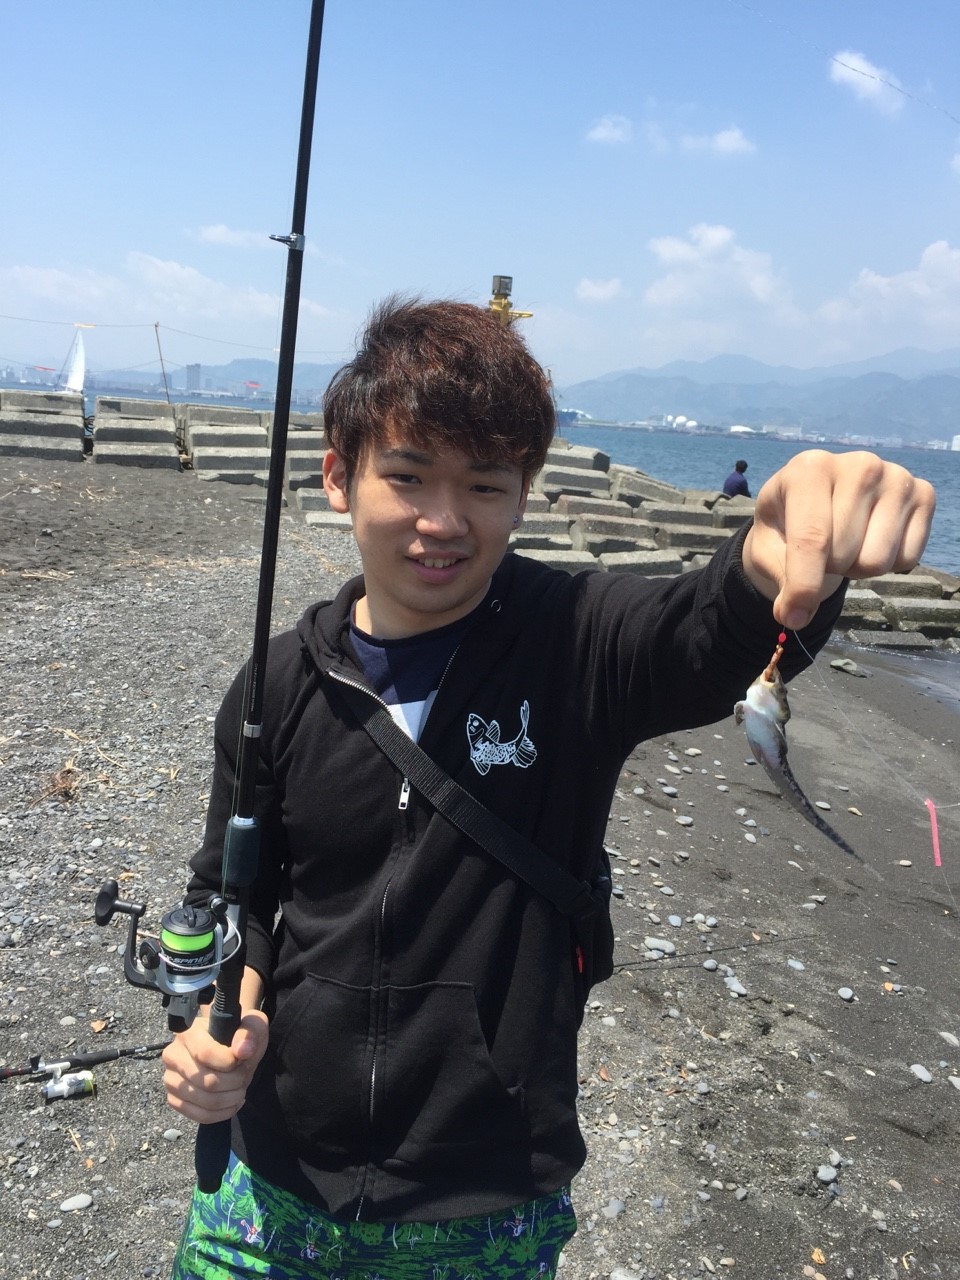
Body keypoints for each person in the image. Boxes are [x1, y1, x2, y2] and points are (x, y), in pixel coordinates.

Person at [162, 297, 935, 1280]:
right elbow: (239, 895)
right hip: (267, 1186)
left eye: (485, 484)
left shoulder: (575, 640)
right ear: (339, 477)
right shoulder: (276, 684)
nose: (444, 521)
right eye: (407, 476)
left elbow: (702, 634)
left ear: (523, 496)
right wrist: (222, 1023)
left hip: (486, 1205)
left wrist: (779, 550)